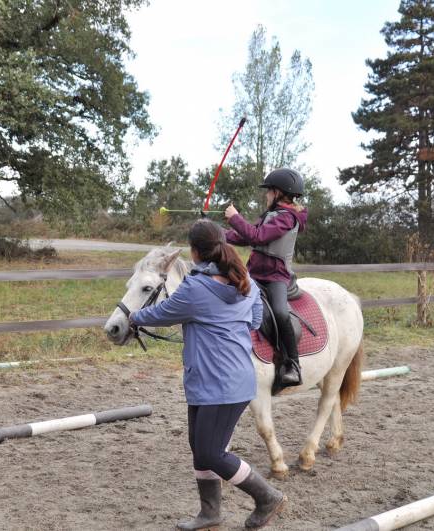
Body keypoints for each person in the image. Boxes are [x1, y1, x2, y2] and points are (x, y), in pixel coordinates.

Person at [129, 219, 287, 530]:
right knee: (199, 447)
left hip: (222, 385)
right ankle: (210, 513)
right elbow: (255, 320)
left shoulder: (195, 288)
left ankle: (267, 496)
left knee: (211, 452)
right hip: (211, 379)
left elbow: (162, 313)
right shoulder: (247, 282)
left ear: (194, 252)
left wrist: (134, 316)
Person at [224, 167, 308, 389]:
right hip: (254, 273)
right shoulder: (271, 215)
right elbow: (246, 237)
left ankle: (292, 364)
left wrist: (235, 218)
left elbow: (258, 236)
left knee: (280, 312)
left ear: (278, 192)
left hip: (275, 277)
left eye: (269, 191)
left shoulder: (287, 218)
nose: (266, 195)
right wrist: (217, 233)